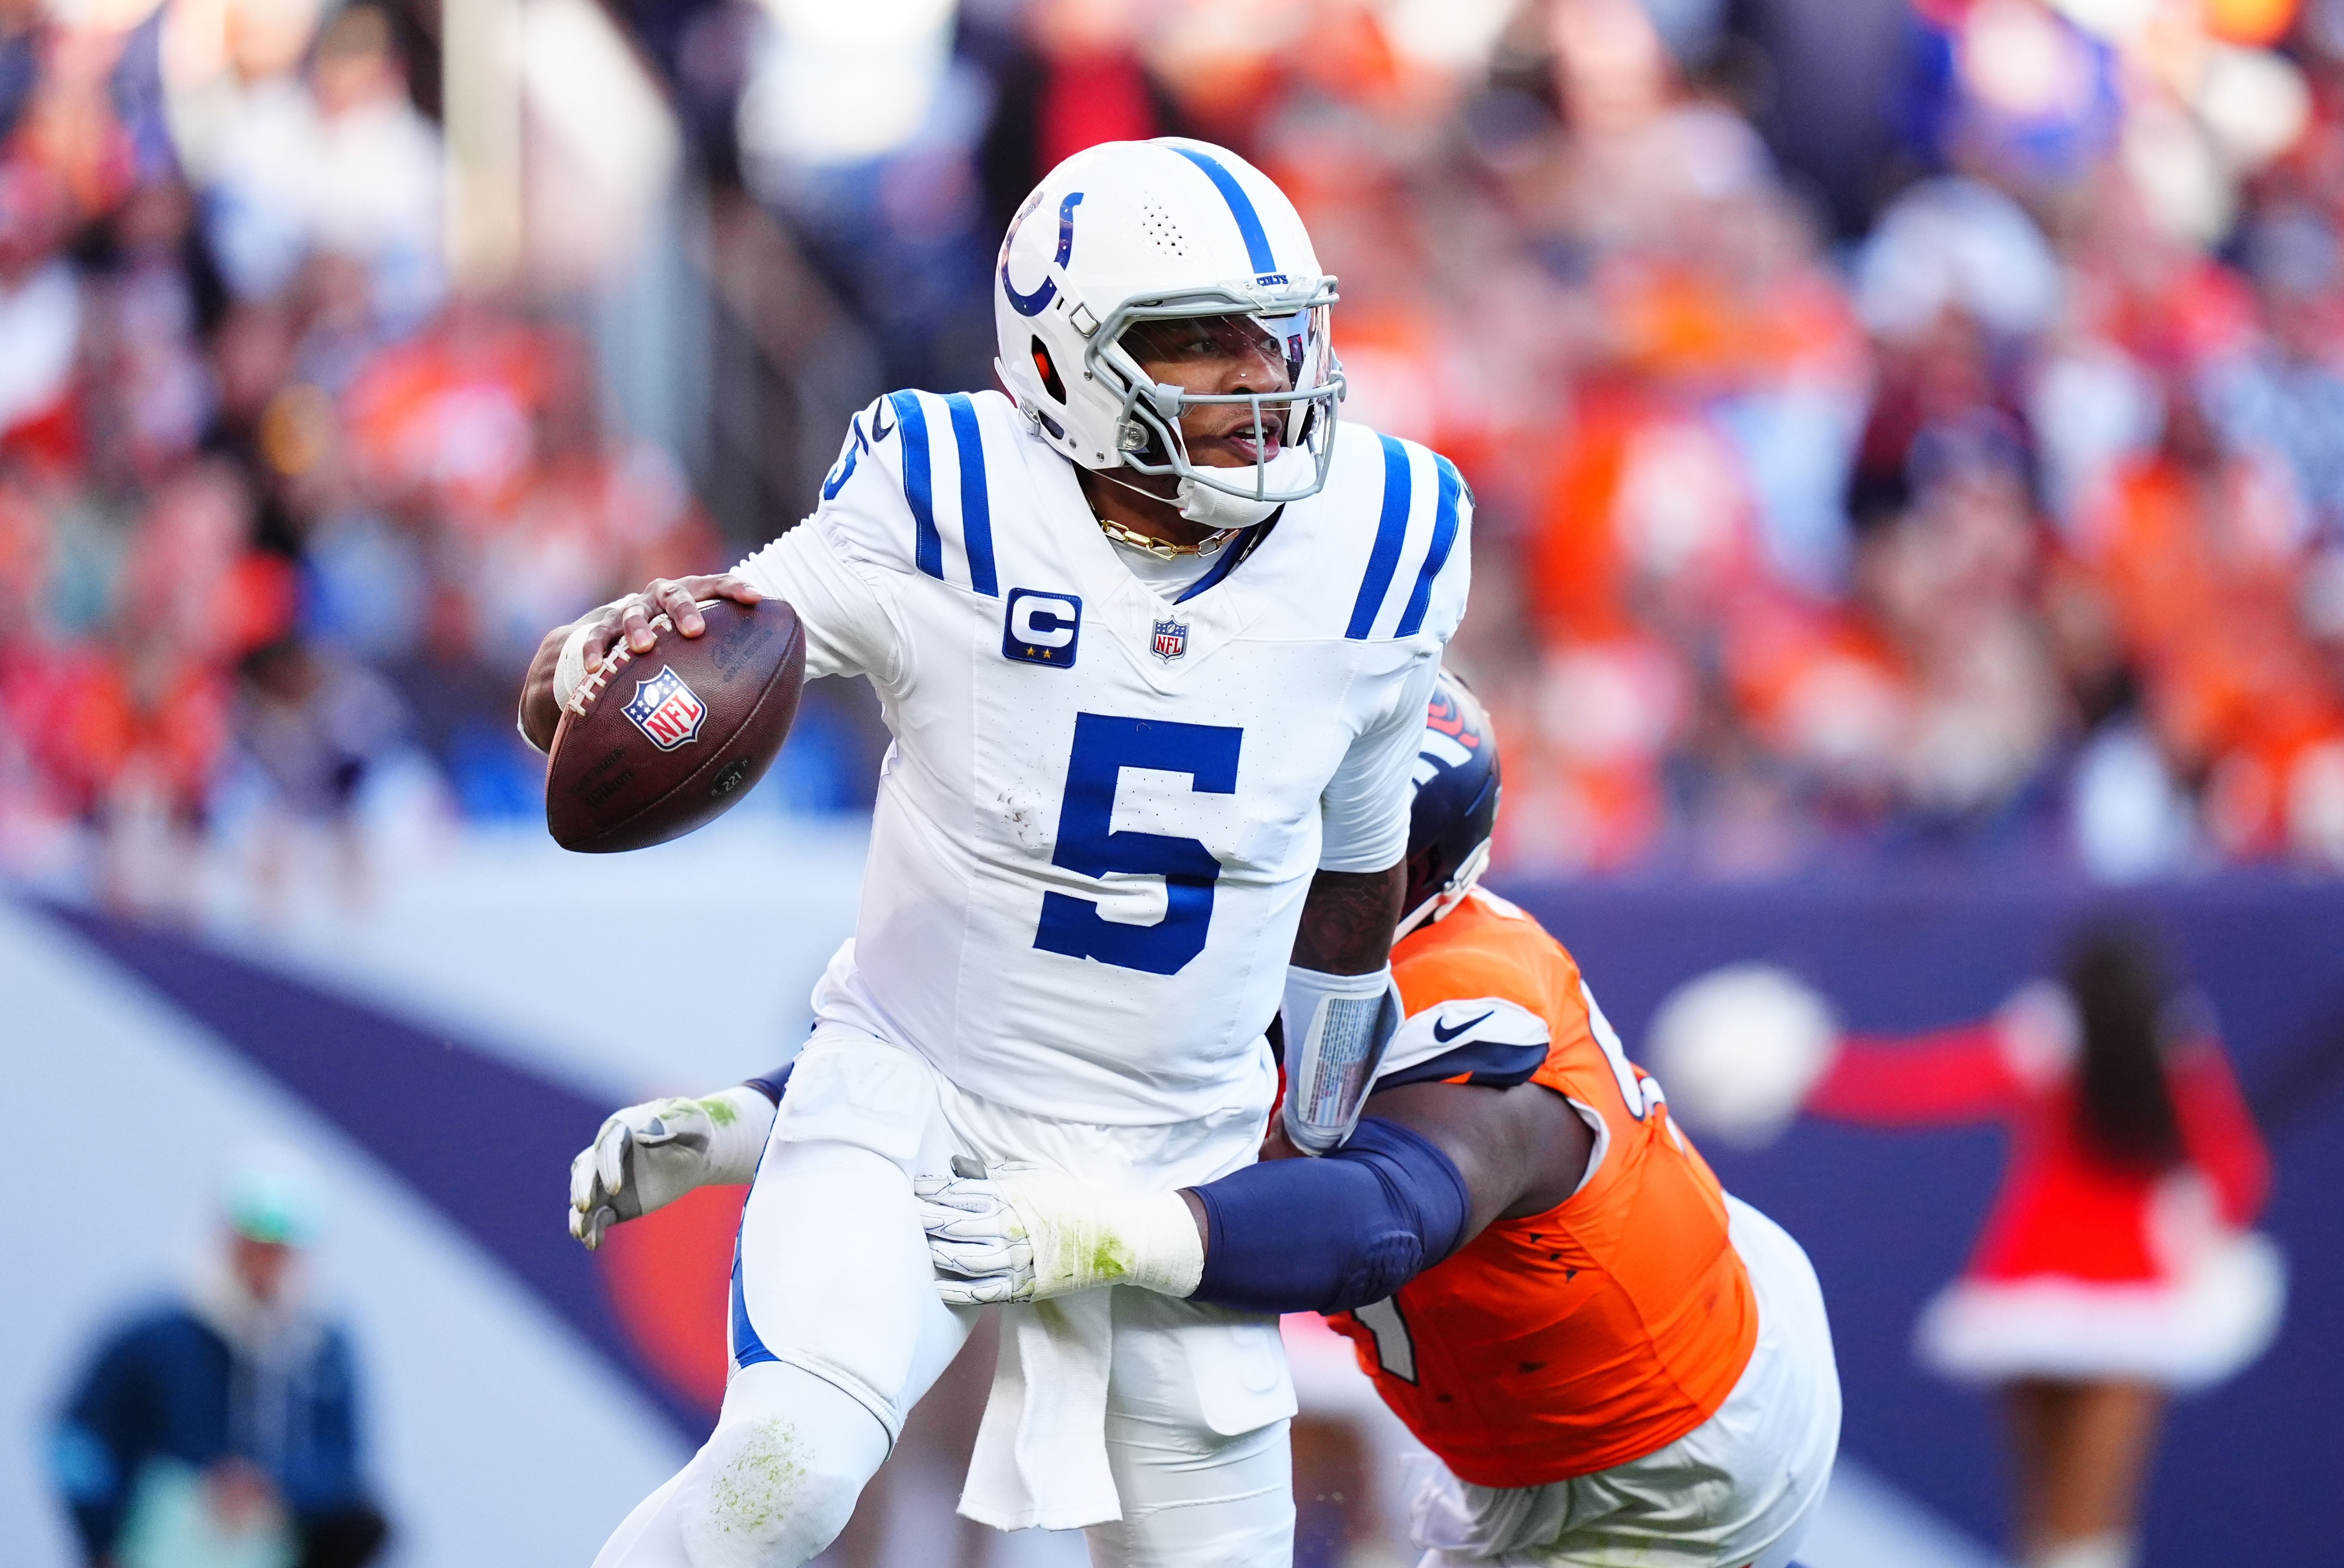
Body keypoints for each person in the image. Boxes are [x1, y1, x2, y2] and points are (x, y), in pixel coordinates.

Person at [529, 136, 1470, 1567]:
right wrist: (579, 674)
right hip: (923, 1107)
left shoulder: (1385, 532)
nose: (1254, 382)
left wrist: (1315, 1129)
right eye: (1196, 345)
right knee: (782, 1476)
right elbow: (699, 641)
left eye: (1271, 335)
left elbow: (1355, 862)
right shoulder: (945, 494)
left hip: (1179, 1159)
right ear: (1060, 365)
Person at [580, 675, 1841, 1568]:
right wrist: (751, 1116)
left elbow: (1382, 1216)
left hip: (1670, 1448)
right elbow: (1019, 1064)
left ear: (1391, 867)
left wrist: (1122, 1229)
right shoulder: (1244, 948)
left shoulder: (1474, 1003)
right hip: (1531, 1426)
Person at [1648, 927, 2279, 1568]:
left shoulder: (2043, 1045)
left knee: (2043, 1516)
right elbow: (2236, 1171)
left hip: (2024, 1295)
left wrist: (1803, 1069)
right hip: (2130, 1303)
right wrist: (2192, 1222)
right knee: (2094, 1518)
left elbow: (1920, 1085)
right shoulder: (2175, 1059)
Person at [51, 1158, 390, 1568]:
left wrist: (272, 1488)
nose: (265, 1261)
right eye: (254, 1243)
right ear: (227, 1239)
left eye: (280, 1250)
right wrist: (102, 1538)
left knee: (369, 1522)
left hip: (266, 1538)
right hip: (155, 1538)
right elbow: (73, 1439)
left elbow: (345, 1463)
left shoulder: (322, 1346)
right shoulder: (155, 1333)